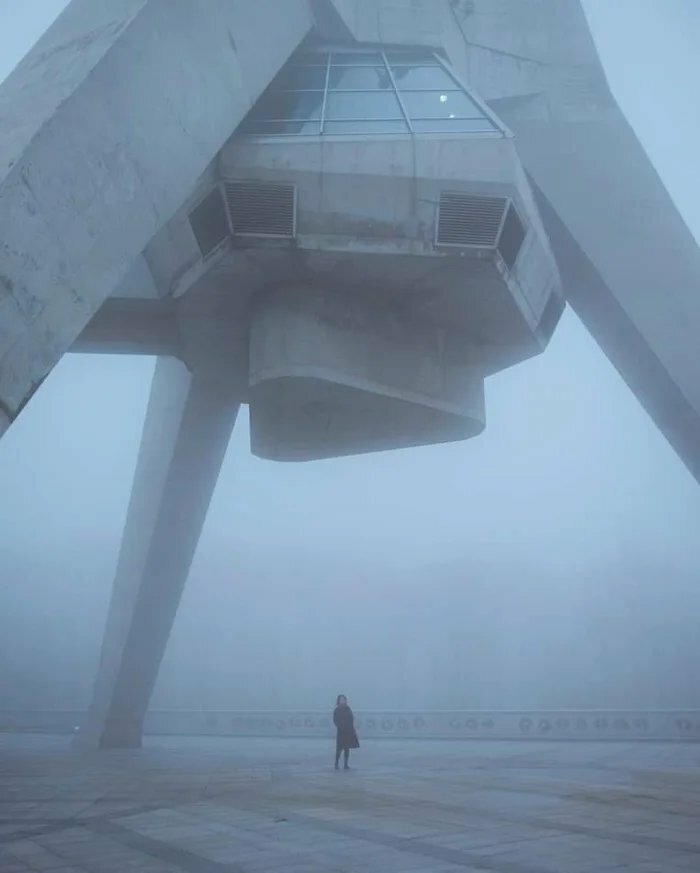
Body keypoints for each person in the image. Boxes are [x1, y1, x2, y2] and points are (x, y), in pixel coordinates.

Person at [333, 694, 359, 769]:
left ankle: (345, 764)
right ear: (338, 701)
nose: (342, 701)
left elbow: (351, 718)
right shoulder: (337, 709)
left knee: (347, 748)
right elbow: (335, 720)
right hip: (341, 731)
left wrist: (351, 728)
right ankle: (336, 763)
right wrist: (340, 726)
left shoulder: (348, 709)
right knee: (339, 748)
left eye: (344, 699)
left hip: (348, 731)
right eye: (341, 699)